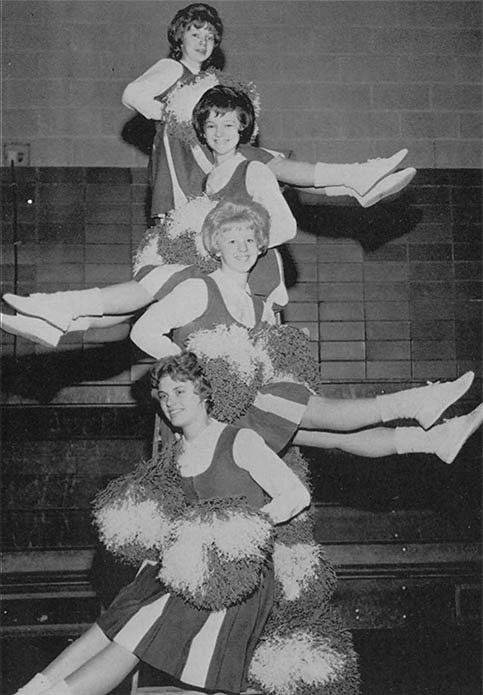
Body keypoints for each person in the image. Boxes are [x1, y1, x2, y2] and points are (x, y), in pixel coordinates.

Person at [13, 351, 311, 695]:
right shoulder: (174, 453)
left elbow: (296, 495)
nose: (170, 403)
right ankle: (31, 690)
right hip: (183, 566)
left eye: (180, 392)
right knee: (112, 621)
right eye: (165, 396)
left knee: (135, 635)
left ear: (203, 392)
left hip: (233, 575)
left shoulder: (239, 441)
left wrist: (241, 531)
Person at [129, 198, 483, 464]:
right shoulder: (198, 288)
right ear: (215, 245)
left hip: (243, 409)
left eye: (249, 241)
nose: (242, 249)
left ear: (261, 247)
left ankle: (434, 440)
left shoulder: (261, 306)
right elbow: (143, 332)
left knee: (334, 437)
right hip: (210, 410)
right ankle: (417, 402)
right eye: (231, 240)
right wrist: (199, 374)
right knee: (320, 412)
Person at [1, 85, 296, 348]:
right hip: (223, 267)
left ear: (243, 127)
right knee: (149, 296)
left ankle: (61, 308)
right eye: (212, 125)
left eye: (229, 124)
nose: (220, 134)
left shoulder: (252, 170)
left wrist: (234, 244)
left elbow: (286, 227)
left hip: (252, 272)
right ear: (202, 131)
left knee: (156, 282)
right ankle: (58, 323)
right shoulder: (211, 177)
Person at [122, 2, 415, 217]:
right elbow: (132, 94)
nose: (203, 42)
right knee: (268, 165)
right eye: (196, 34)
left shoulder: (206, 79)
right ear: (180, 36)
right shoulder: (173, 67)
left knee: (272, 170)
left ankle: (353, 185)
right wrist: (180, 118)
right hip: (185, 163)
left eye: (210, 37)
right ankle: (355, 178)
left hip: (206, 156)